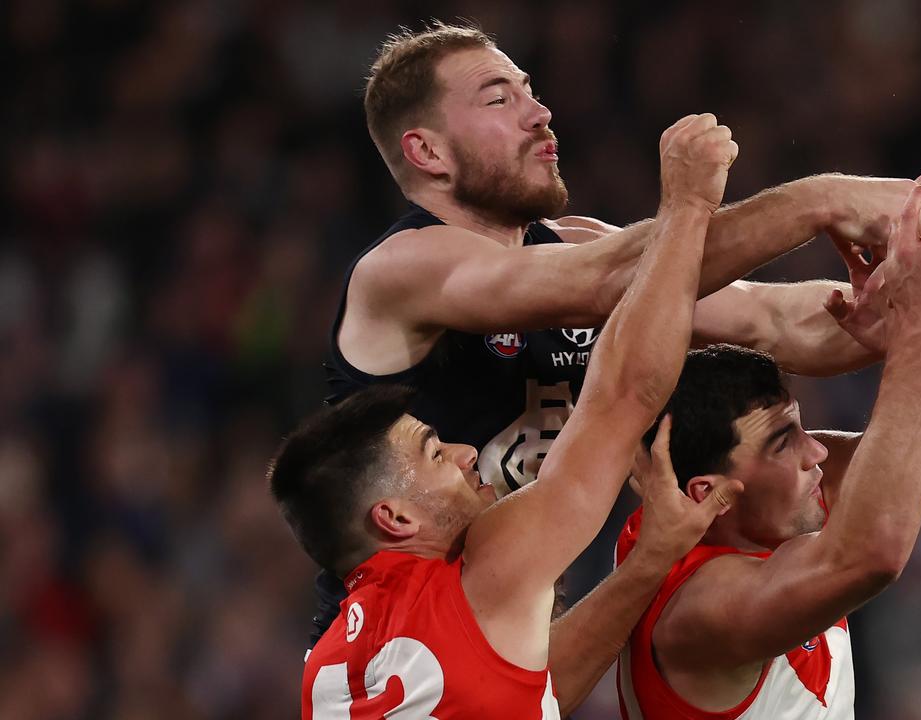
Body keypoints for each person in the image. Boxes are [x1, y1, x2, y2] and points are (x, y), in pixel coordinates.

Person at [311, 22, 921, 713]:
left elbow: (777, 321)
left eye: (532, 91)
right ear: (427, 152)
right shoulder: (399, 271)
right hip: (401, 661)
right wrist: (821, 200)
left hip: (515, 645)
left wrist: (917, 300)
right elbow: (617, 279)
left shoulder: (580, 243)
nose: (540, 113)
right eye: (500, 99)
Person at [271, 112, 740, 718]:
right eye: (435, 454)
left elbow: (533, 695)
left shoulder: (327, 668)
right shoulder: (481, 573)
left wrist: (648, 562)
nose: (466, 452)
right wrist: (687, 208)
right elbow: (624, 394)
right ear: (393, 516)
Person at [617, 185, 921, 718]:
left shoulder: (764, 506)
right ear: (709, 495)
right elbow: (871, 554)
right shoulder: (696, 611)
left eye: (800, 426)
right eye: (782, 442)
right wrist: (918, 337)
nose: (815, 451)